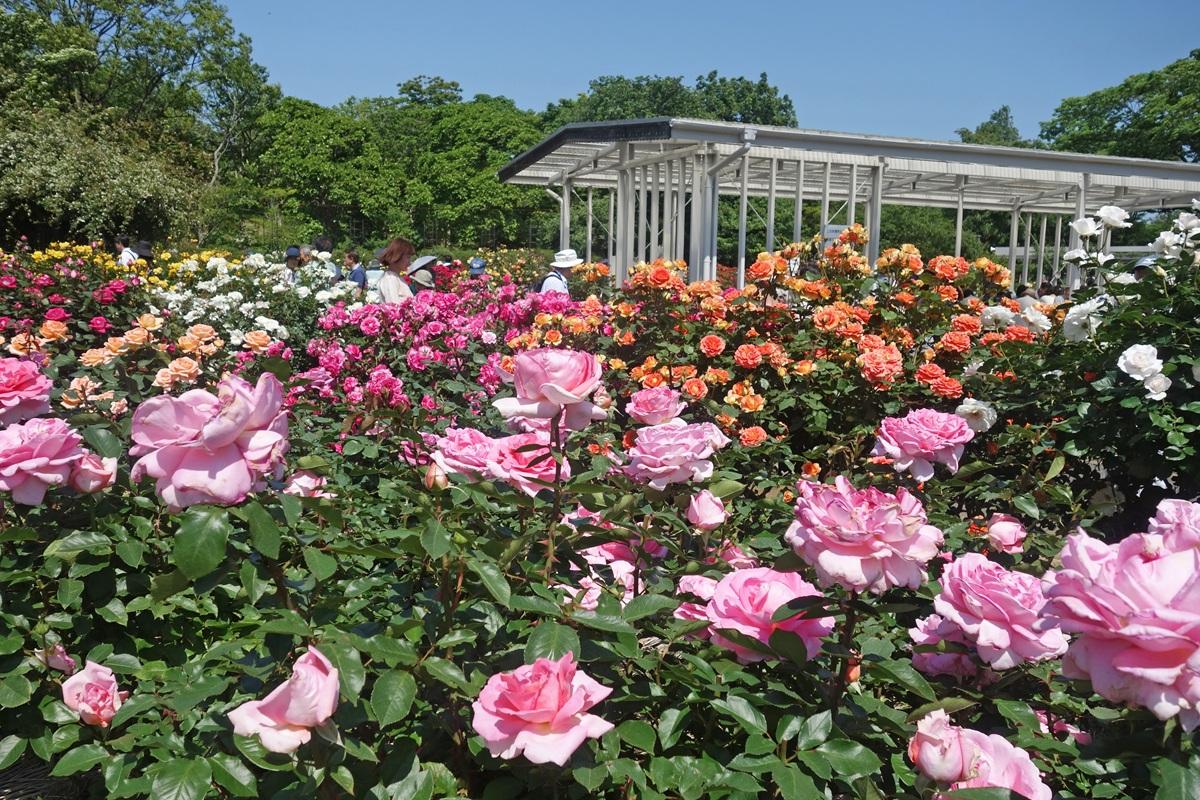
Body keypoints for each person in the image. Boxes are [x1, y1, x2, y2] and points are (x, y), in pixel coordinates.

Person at [377, 238, 416, 304]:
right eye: (408, 257)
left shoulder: (397, 277)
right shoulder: (390, 278)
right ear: (397, 256)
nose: (409, 262)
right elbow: (393, 308)